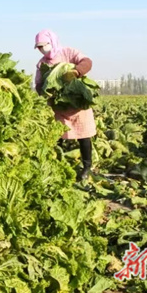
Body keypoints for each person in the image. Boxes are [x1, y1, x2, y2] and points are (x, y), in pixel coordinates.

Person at [33, 29, 97, 181]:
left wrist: (76, 72)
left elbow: (87, 62)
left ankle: (87, 168)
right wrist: (46, 92)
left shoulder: (68, 52)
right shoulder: (42, 63)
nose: (42, 49)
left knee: (84, 136)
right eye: (39, 47)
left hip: (78, 102)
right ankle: (56, 166)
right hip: (59, 105)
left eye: (44, 45)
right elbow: (39, 84)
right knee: (57, 136)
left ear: (52, 42)